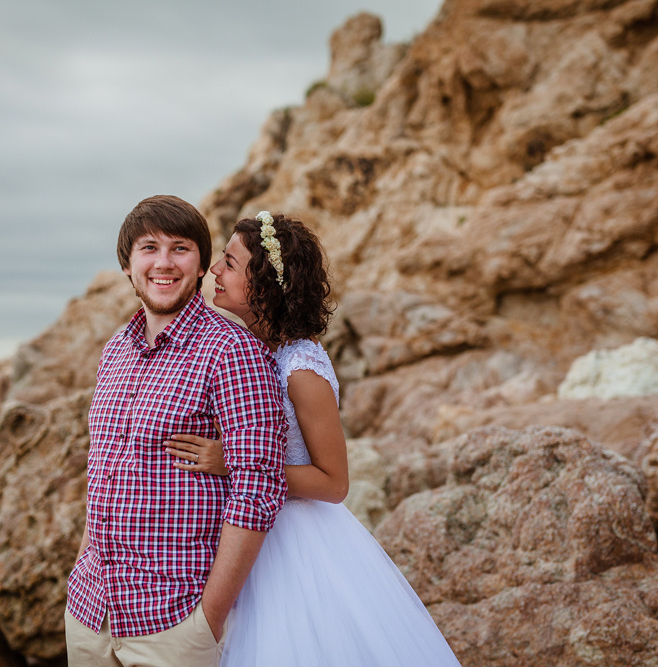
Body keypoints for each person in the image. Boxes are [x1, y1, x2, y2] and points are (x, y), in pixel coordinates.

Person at [165, 211, 462, 666]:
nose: (214, 272)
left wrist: (236, 461)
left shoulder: (301, 368)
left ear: (262, 283)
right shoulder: (246, 349)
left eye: (228, 262)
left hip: (294, 545)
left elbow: (334, 481)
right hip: (238, 528)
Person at [64, 195, 288, 667]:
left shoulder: (233, 351)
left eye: (179, 248)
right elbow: (101, 470)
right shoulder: (114, 352)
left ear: (203, 264)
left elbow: (259, 485)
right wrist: (79, 572)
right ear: (128, 265)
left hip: (174, 621)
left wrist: (209, 617)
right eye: (149, 248)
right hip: (89, 614)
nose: (163, 263)